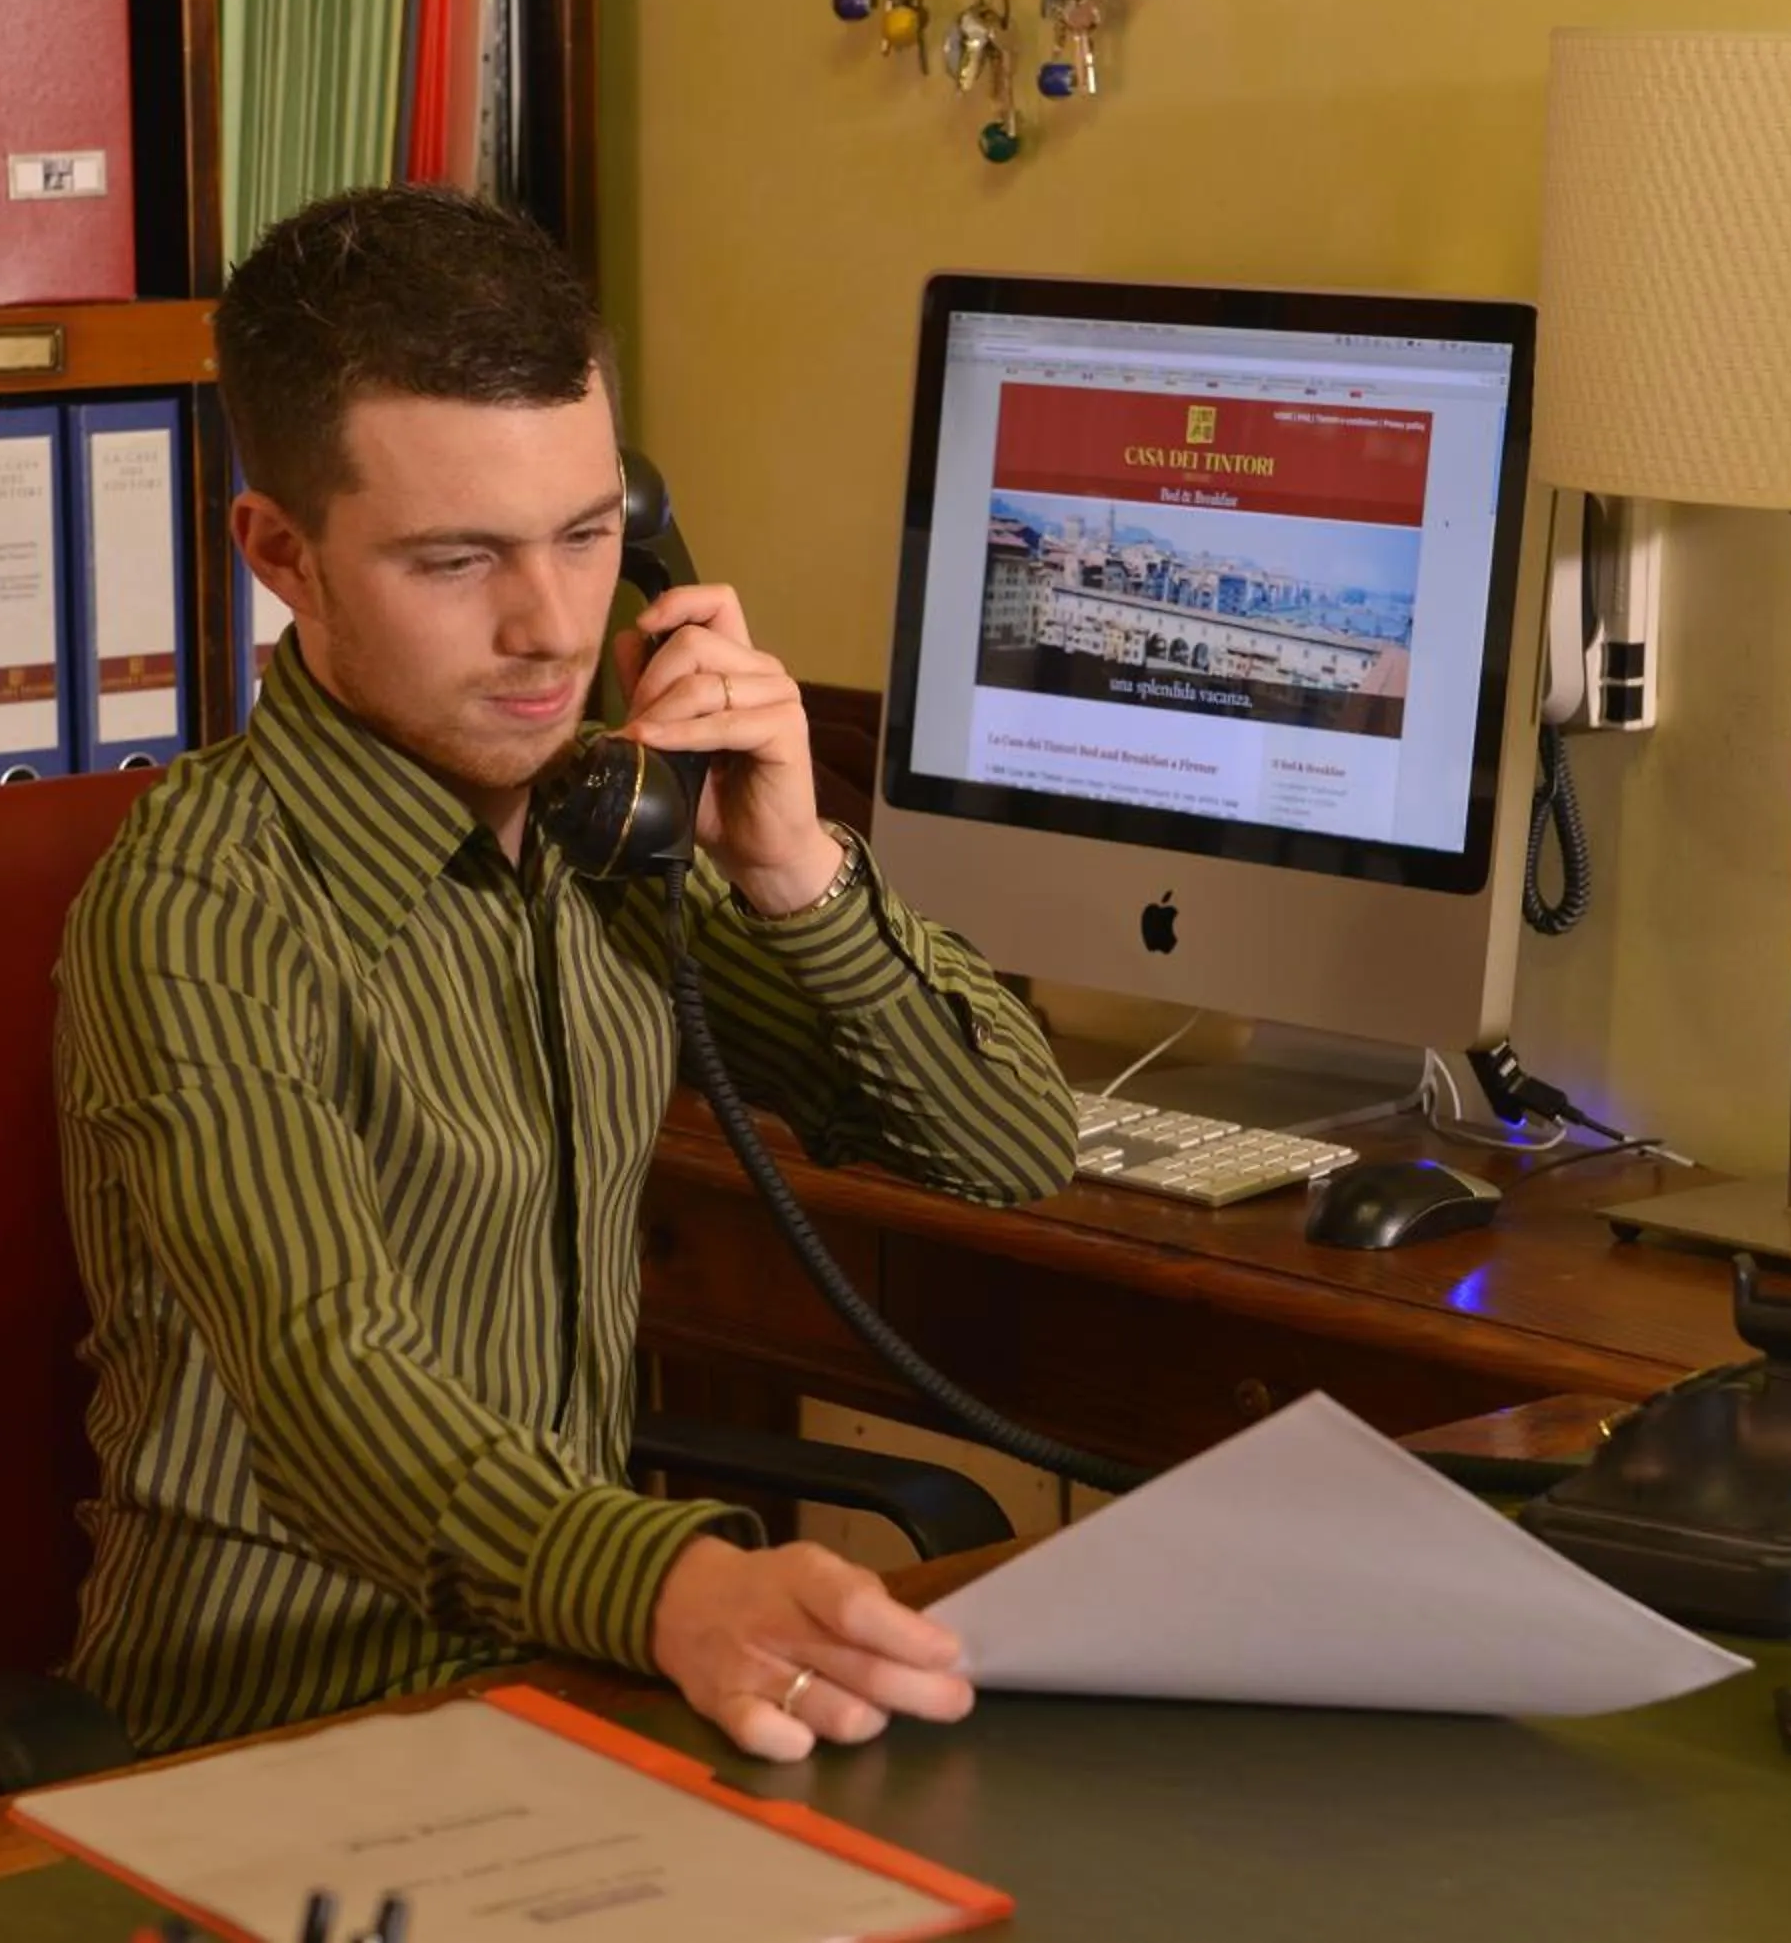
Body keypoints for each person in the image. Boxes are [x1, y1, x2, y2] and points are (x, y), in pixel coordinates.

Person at [52, 183, 1077, 1764]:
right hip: (279, 1740)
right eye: (457, 560)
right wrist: (674, 1581)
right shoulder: (200, 907)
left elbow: (1008, 1151)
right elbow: (334, 1389)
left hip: (573, 1705)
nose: (550, 629)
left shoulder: (615, 833)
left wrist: (791, 869)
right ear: (282, 554)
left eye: (591, 536)